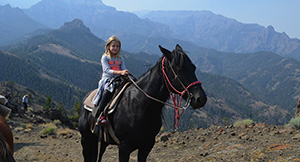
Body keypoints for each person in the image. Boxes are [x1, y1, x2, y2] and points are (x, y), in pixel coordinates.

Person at [92, 35, 130, 124]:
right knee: (108, 91)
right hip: (108, 80)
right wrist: (120, 72)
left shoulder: (120, 59)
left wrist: (125, 72)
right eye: (113, 46)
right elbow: (107, 70)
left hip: (119, 79)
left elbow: (123, 68)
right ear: (108, 46)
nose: (115, 48)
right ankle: (101, 115)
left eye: (117, 46)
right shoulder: (105, 57)